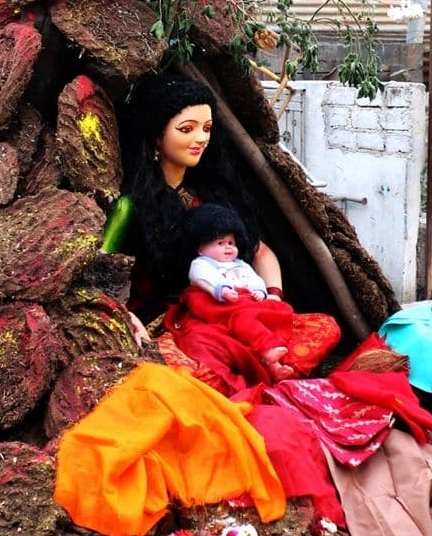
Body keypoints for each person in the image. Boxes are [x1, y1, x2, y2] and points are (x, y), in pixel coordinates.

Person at [101, 74, 338, 392]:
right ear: (156, 136)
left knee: (326, 327)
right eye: (186, 129)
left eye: (207, 128)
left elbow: (259, 251)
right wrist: (130, 322)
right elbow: (100, 280)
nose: (200, 138)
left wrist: (273, 299)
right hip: (172, 322)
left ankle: (261, 371)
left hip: (234, 312)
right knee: (181, 374)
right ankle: (264, 374)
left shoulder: (210, 196)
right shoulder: (129, 208)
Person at [184, 203, 296, 379]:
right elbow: (204, 278)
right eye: (220, 243)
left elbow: (253, 279)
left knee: (279, 311)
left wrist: (260, 291)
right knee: (245, 320)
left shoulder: (240, 264)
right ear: (201, 249)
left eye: (231, 242)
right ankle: (267, 351)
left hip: (243, 301)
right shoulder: (202, 263)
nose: (228, 247)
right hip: (218, 302)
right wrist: (223, 290)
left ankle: (274, 365)